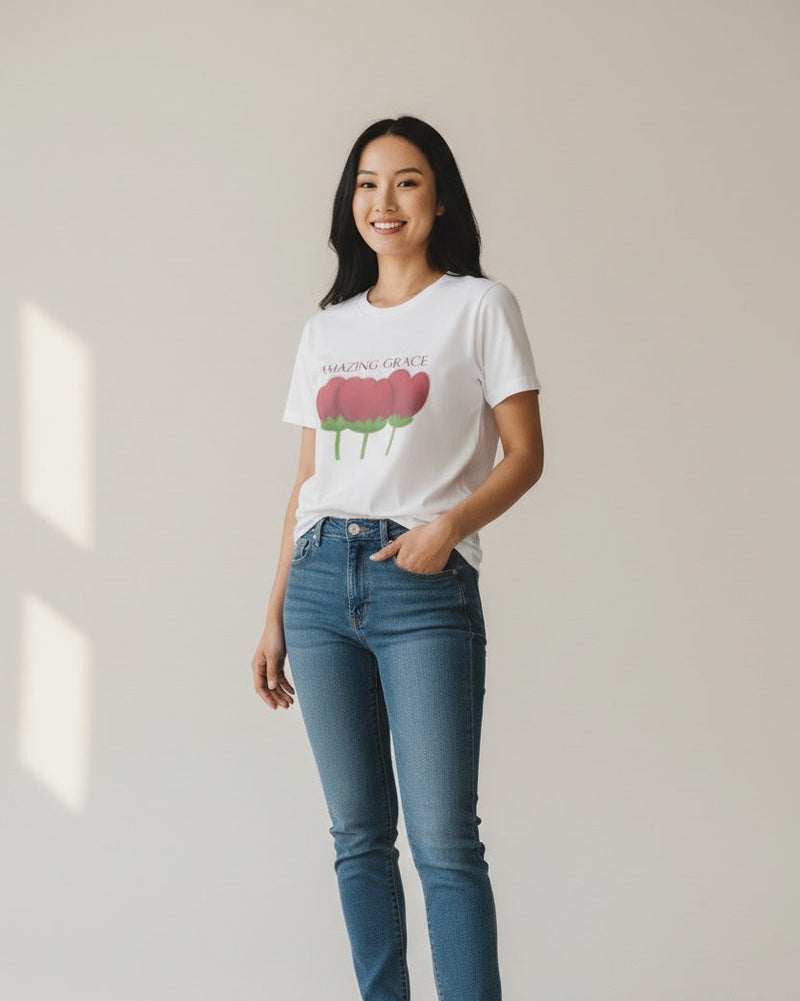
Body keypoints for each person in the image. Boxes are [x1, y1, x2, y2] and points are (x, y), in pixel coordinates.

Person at [251, 115, 544, 1001]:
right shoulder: (326, 328)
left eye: (407, 181)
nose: (386, 201)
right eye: (369, 183)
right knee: (356, 835)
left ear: (439, 197)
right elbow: (309, 480)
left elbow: (526, 455)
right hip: (316, 583)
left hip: (421, 584)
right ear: (352, 204)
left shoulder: (479, 306)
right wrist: (271, 613)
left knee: (445, 840)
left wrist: (448, 529)